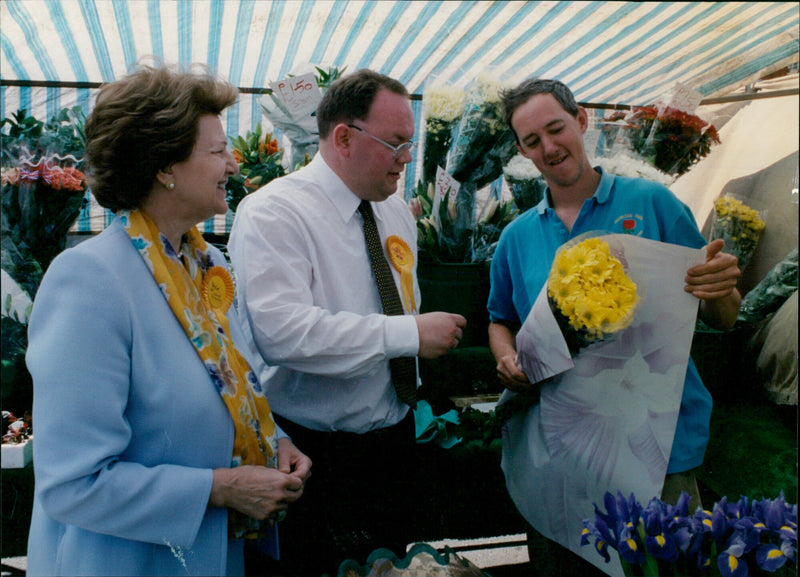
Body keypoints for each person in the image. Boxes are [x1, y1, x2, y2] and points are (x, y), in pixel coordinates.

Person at [25, 62, 311, 577]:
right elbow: (73, 485)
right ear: (164, 167)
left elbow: (228, 387)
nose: (233, 163)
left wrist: (274, 443)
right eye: (218, 151)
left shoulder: (207, 265)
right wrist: (222, 488)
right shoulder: (89, 280)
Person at [488, 78, 741, 574]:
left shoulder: (653, 204)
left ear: (582, 121)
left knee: (660, 564)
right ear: (521, 151)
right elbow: (500, 319)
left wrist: (723, 285)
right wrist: (505, 356)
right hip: (562, 447)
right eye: (532, 141)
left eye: (556, 129)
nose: (549, 147)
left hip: (658, 444)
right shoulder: (517, 238)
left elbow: (723, 316)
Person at [227, 69, 467, 575]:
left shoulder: (396, 212)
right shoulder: (274, 212)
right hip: (315, 456)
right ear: (343, 137)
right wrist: (410, 334)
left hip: (393, 445)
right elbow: (283, 333)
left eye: (410, 143)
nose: (407, 158)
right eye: (397, 143)